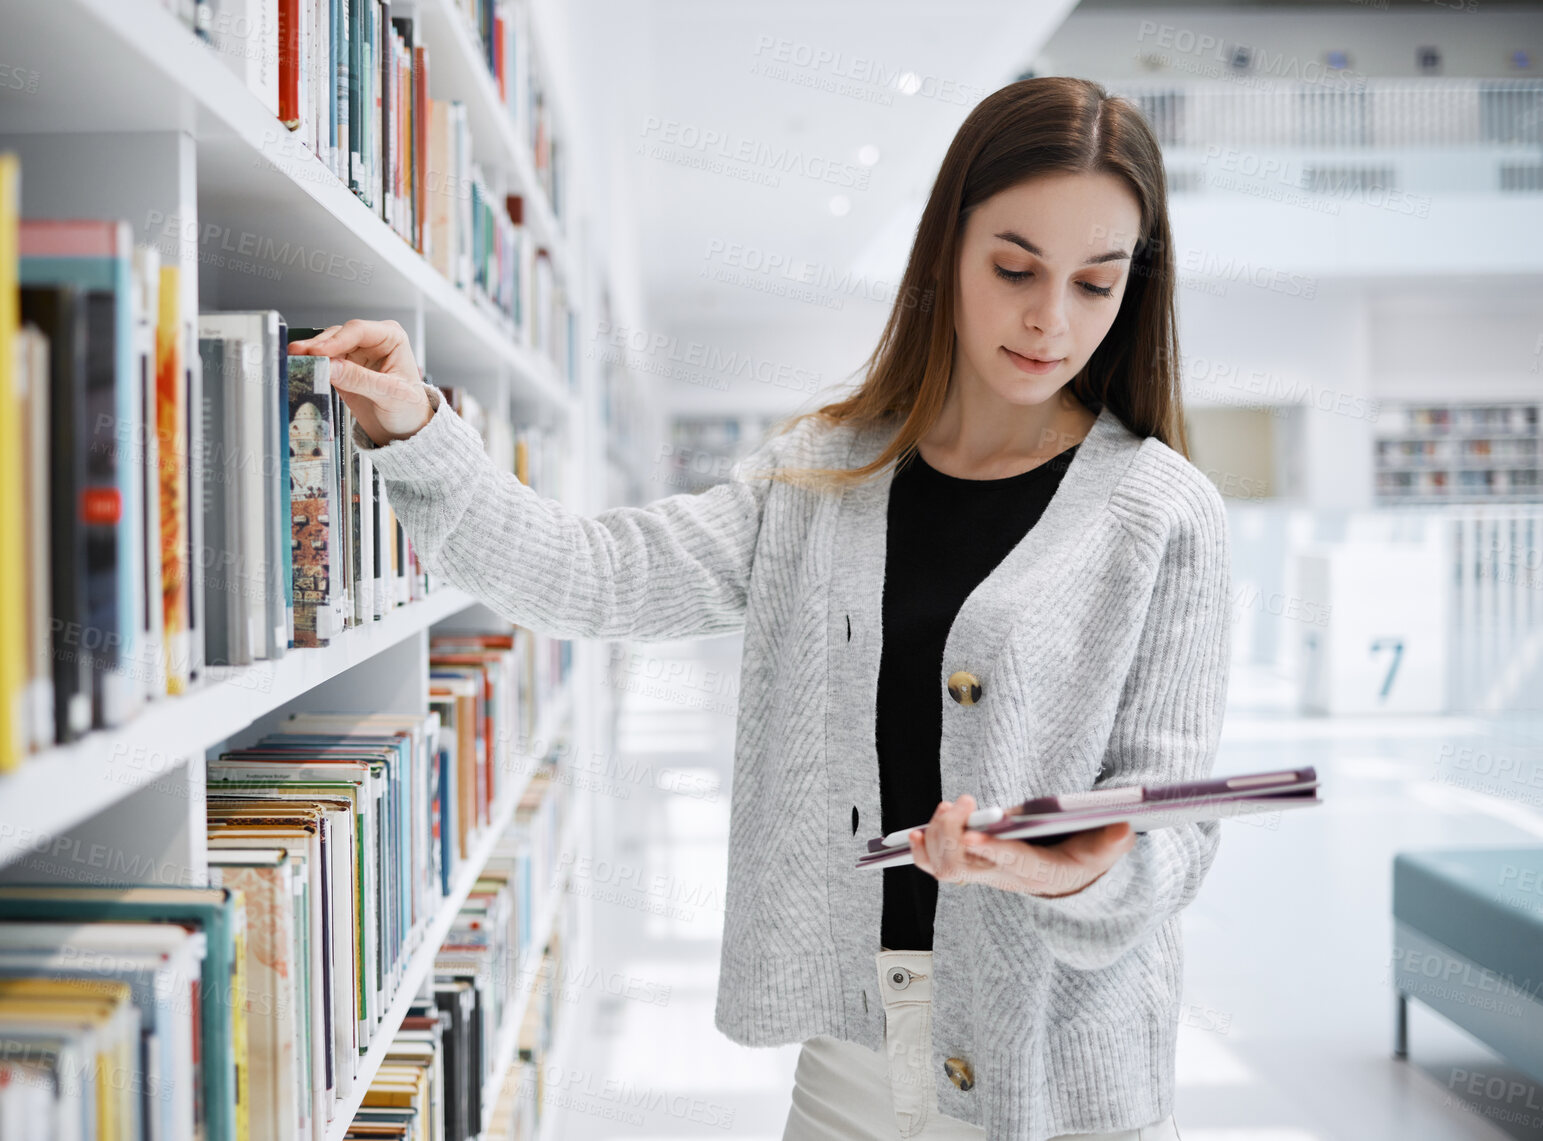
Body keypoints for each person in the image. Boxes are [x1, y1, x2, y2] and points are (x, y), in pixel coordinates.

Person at [292, 74, 1223, 1141]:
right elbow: (595, 574)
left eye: (1094, 285)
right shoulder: (821, 475)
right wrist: (420, 433)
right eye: (1013, 267)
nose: (1048, 319)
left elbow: (1174, 834)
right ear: (945, 253)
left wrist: (1067, 869)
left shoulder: (1163, 512)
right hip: (856, 1057)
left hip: (1063, 1071)